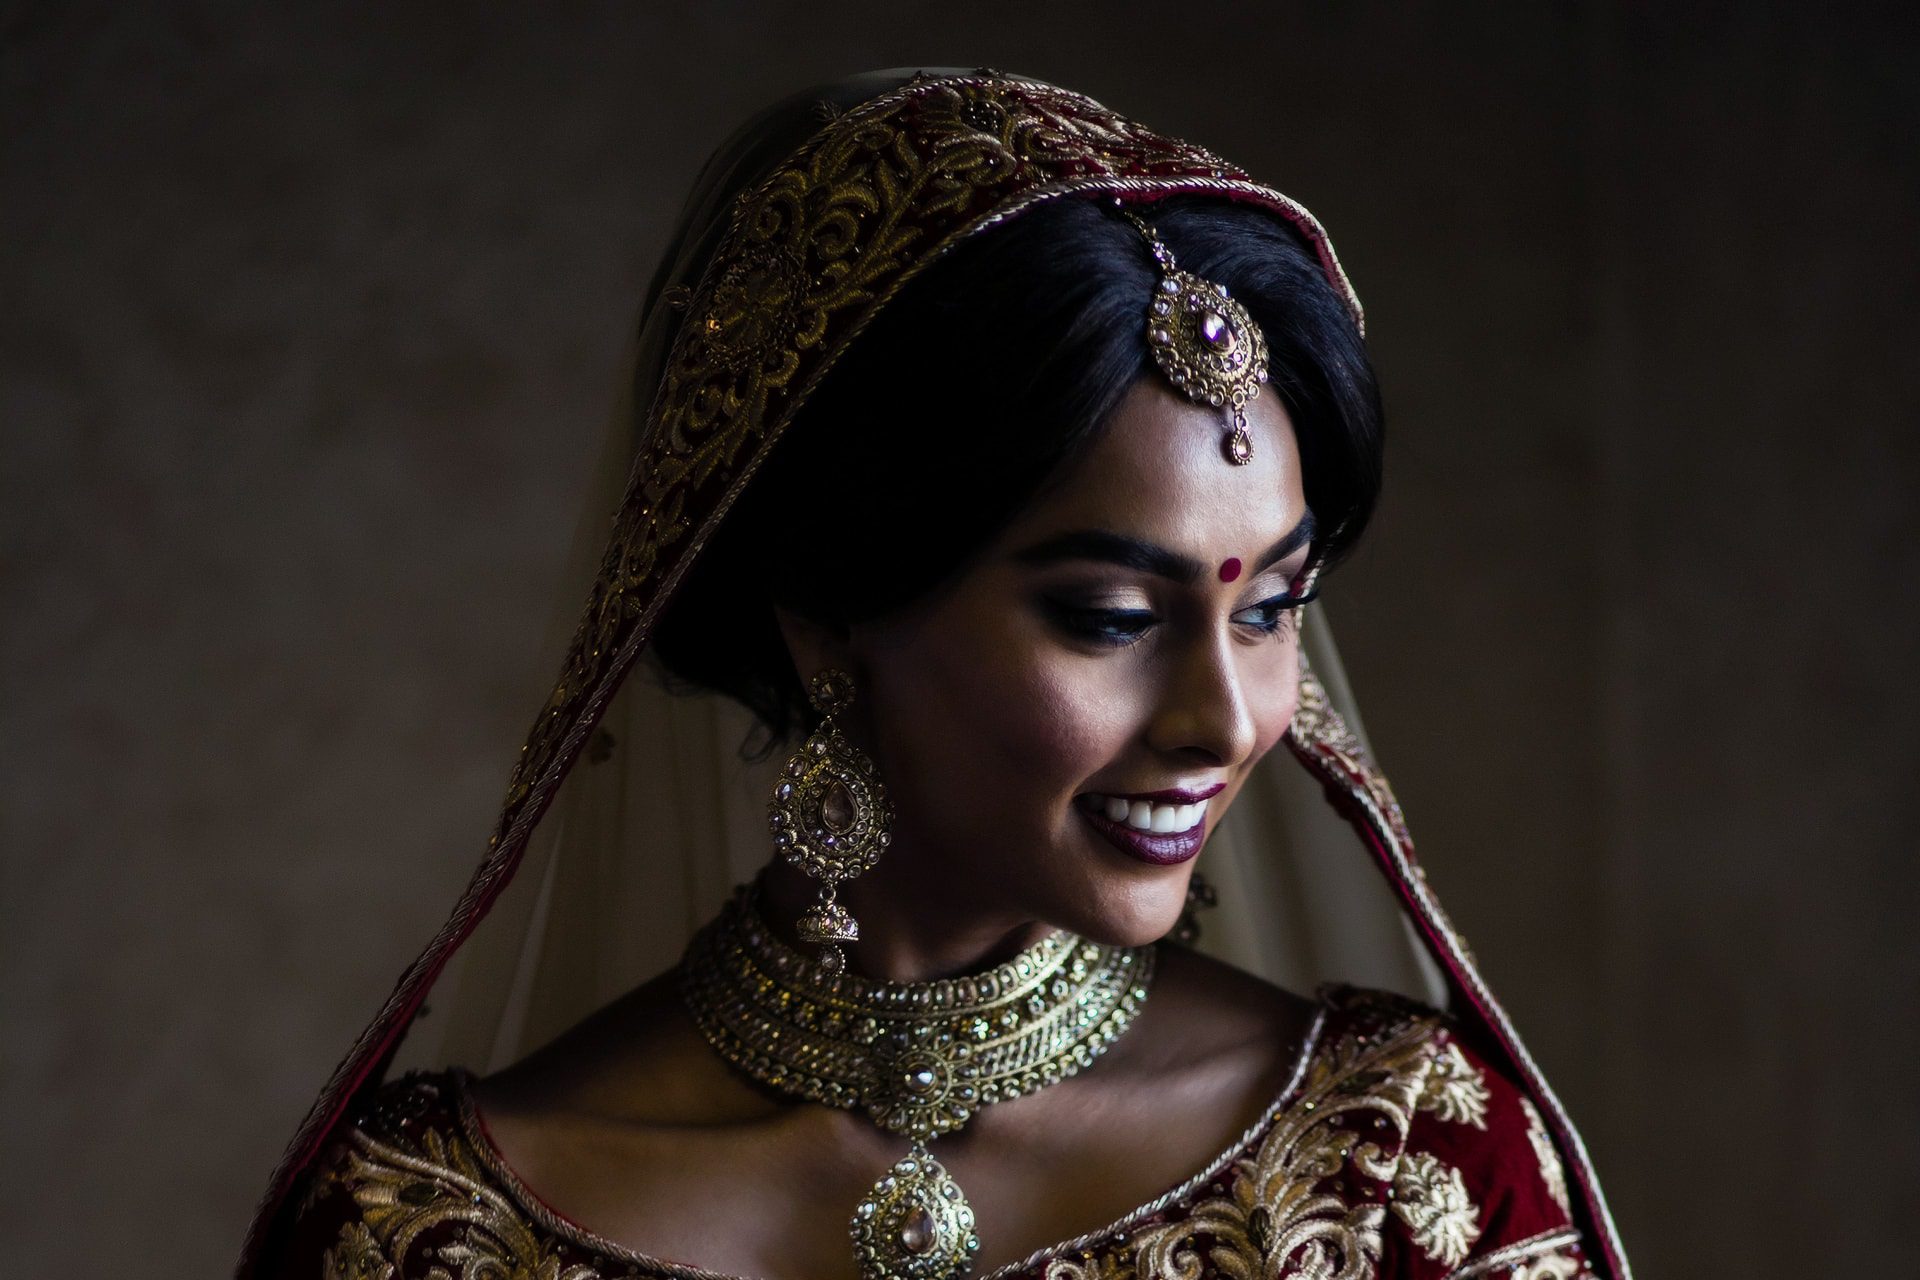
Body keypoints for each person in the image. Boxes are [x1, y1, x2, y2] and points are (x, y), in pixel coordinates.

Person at [240, 69, 1631, 1280]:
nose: (1227, 718)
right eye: (1106, 616)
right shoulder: (424, 1227)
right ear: (825, 613)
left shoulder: (1398, 1160)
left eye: (1273, 608)